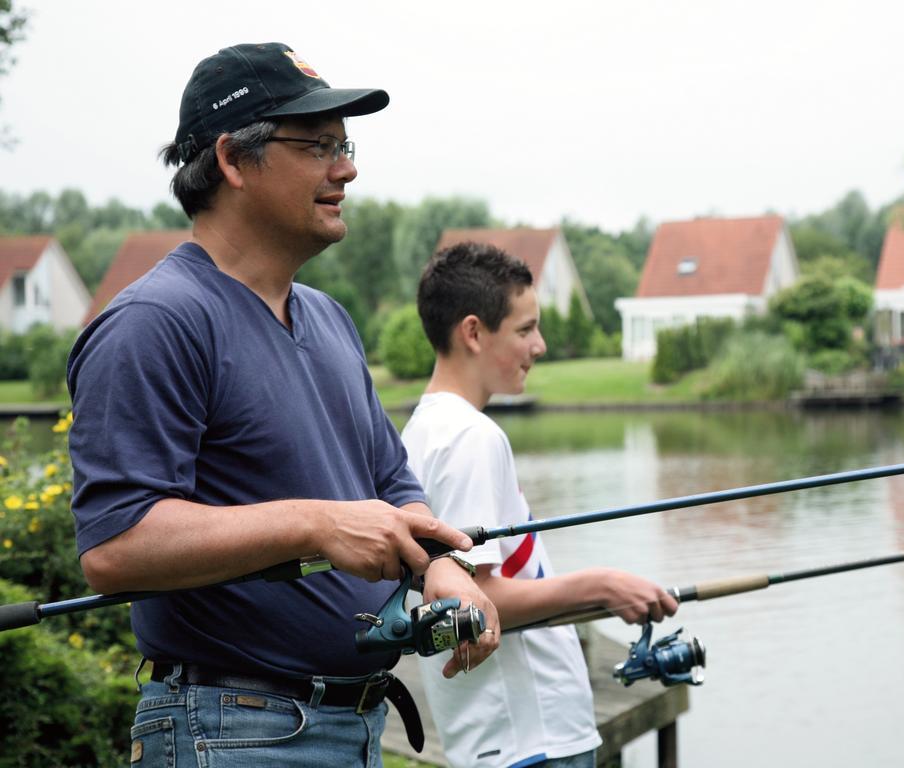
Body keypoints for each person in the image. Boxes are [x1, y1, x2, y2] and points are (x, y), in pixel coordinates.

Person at [66, 42, 497, 768]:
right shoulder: (156, 321)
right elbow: (115, 547)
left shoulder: (328, 318)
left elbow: (393, 489)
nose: (348, 168)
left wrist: (441, 572)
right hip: (230, 731)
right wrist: (315, 522)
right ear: (234, 161)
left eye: (345, 144)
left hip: (353, 728)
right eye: (319, 146)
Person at [401, 242, 679, 768]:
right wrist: (600, 586)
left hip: (504, 738)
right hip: (531, 739)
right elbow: (473, 598)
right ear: (474, 333)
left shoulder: (424, 430)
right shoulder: (470, 438)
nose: (541, 345)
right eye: (526, 330)